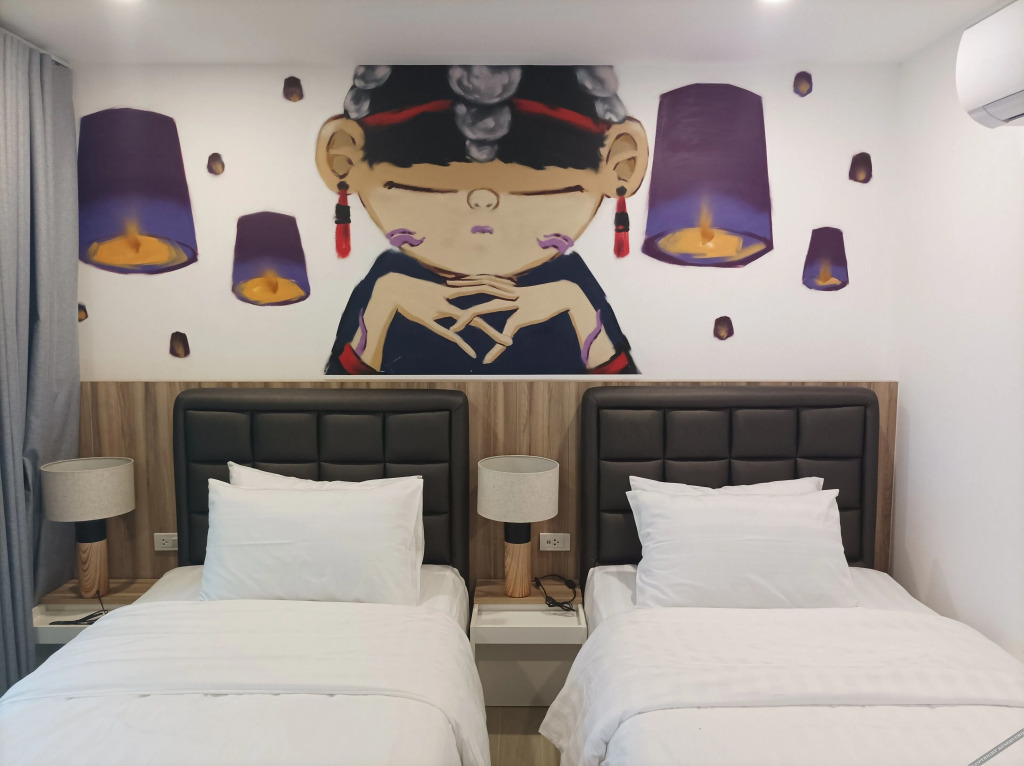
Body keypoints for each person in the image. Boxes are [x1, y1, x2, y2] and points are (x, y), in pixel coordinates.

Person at [315, 65, 648, 375]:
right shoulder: (390, 279)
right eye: (428, 191)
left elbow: (616, 396)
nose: (483, 209)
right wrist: (384, 303)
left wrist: (576, 306)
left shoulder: (569, 282)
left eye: (535, 194)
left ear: (620, 165)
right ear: (344, 162)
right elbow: (348, 397)